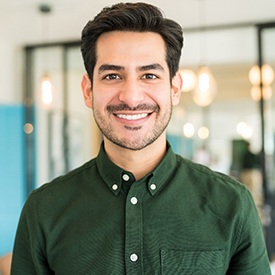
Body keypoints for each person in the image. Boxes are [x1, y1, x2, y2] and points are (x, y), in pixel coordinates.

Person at [11, 2, 271, 274]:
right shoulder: (44, 210)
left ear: (174, 88)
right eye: (112, 75)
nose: (131, 97)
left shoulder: (232, 203)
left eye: (149, 75)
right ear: (88, 91)